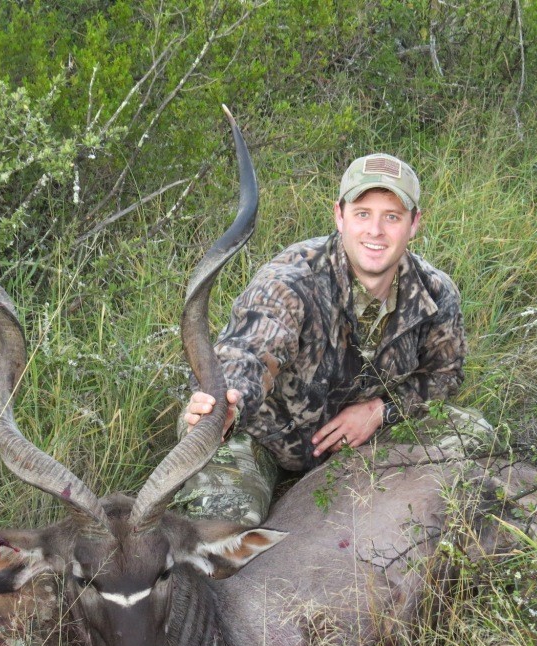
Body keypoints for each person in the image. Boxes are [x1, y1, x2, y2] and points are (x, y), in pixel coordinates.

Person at [174, 153, 490, 524]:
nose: (375, 230)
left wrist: (380, 411)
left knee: (472, 431)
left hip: (357, 445)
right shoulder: (290, 279)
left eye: (392, 216)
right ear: (339, 216)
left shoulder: (435, 293)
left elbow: (444, 375)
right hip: (262, 436)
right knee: (220, 528)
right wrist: (229, 404)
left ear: (414, 224)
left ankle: (351, 502)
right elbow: (247, 352)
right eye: (362, 213)